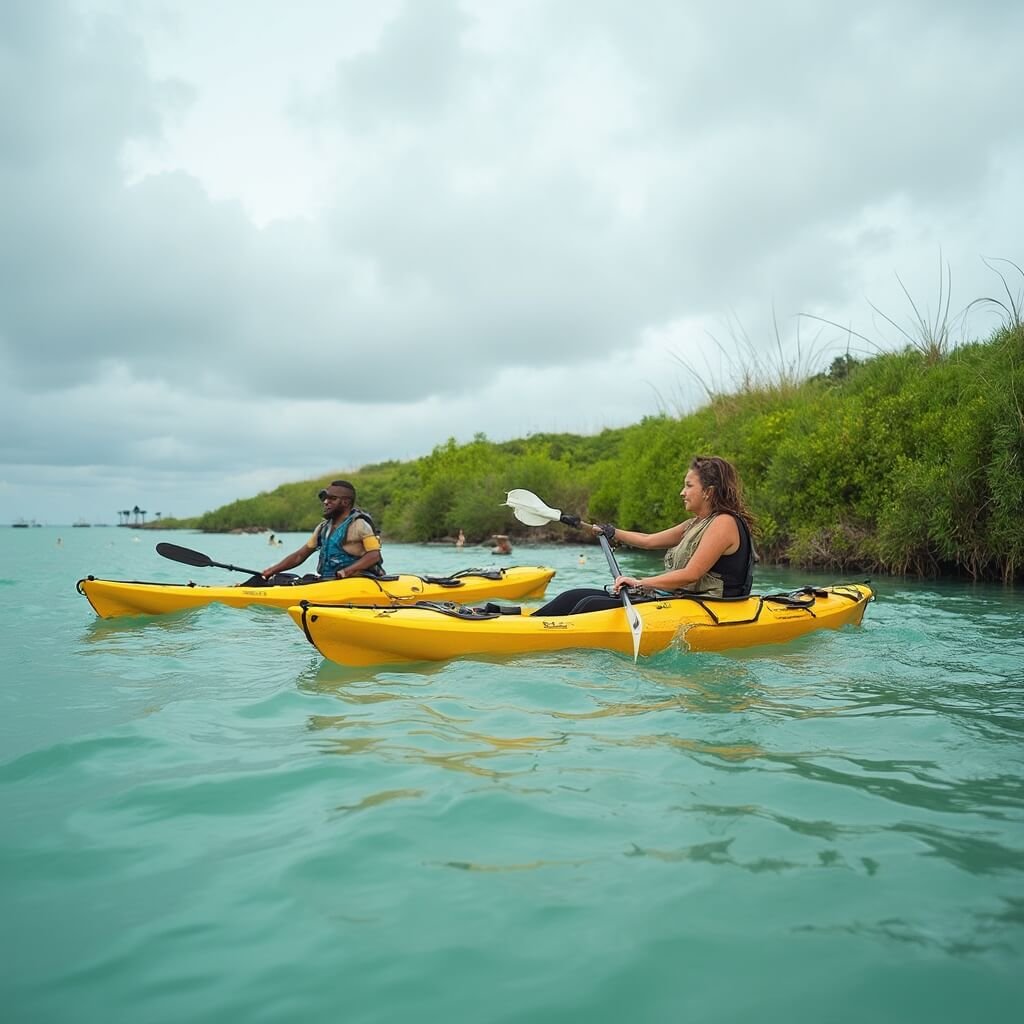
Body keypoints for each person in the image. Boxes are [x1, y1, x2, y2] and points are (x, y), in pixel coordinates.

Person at [533, 455, 755, 616]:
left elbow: (691, 574)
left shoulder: (724, 523)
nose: (682, 492)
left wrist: (640, 583)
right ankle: (520, 619)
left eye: (688, 486)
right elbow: (648, 541)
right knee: (574, 596)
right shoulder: (695, 524)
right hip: (682, 600)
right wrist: (610, 531)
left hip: (711, 607)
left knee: (588, 605)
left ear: (709, 491)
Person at [260, 480, 384, 581]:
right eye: (325, 498)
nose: (325, 502)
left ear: (346, 502)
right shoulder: (323, 528)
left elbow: (374, 555)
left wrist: (347, 571)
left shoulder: (360, 524)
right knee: (282, 579)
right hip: (328, 581)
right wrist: (272, 571)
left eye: (332, 499)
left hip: (356, 581)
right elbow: (299, 556)